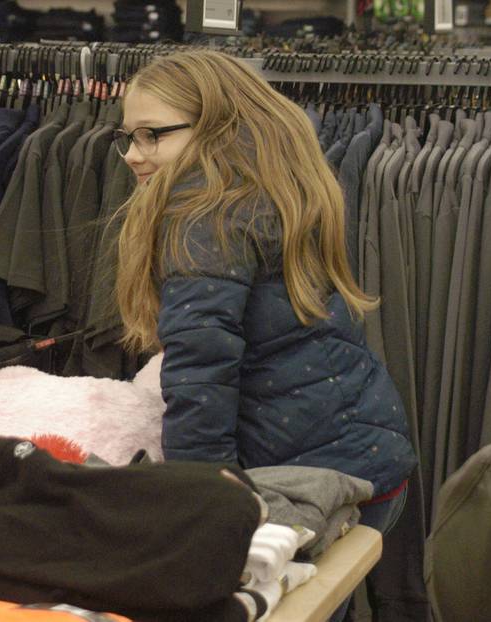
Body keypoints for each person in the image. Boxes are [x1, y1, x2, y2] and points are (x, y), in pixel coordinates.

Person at [112, 50, 417, 621]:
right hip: (365, 458)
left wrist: (201, 502)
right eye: (128, 137)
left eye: (152, 134)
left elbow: (201, 373)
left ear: (218, 125)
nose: (133, 153)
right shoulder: (276, 188)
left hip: (310, 480)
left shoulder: (206, 213)